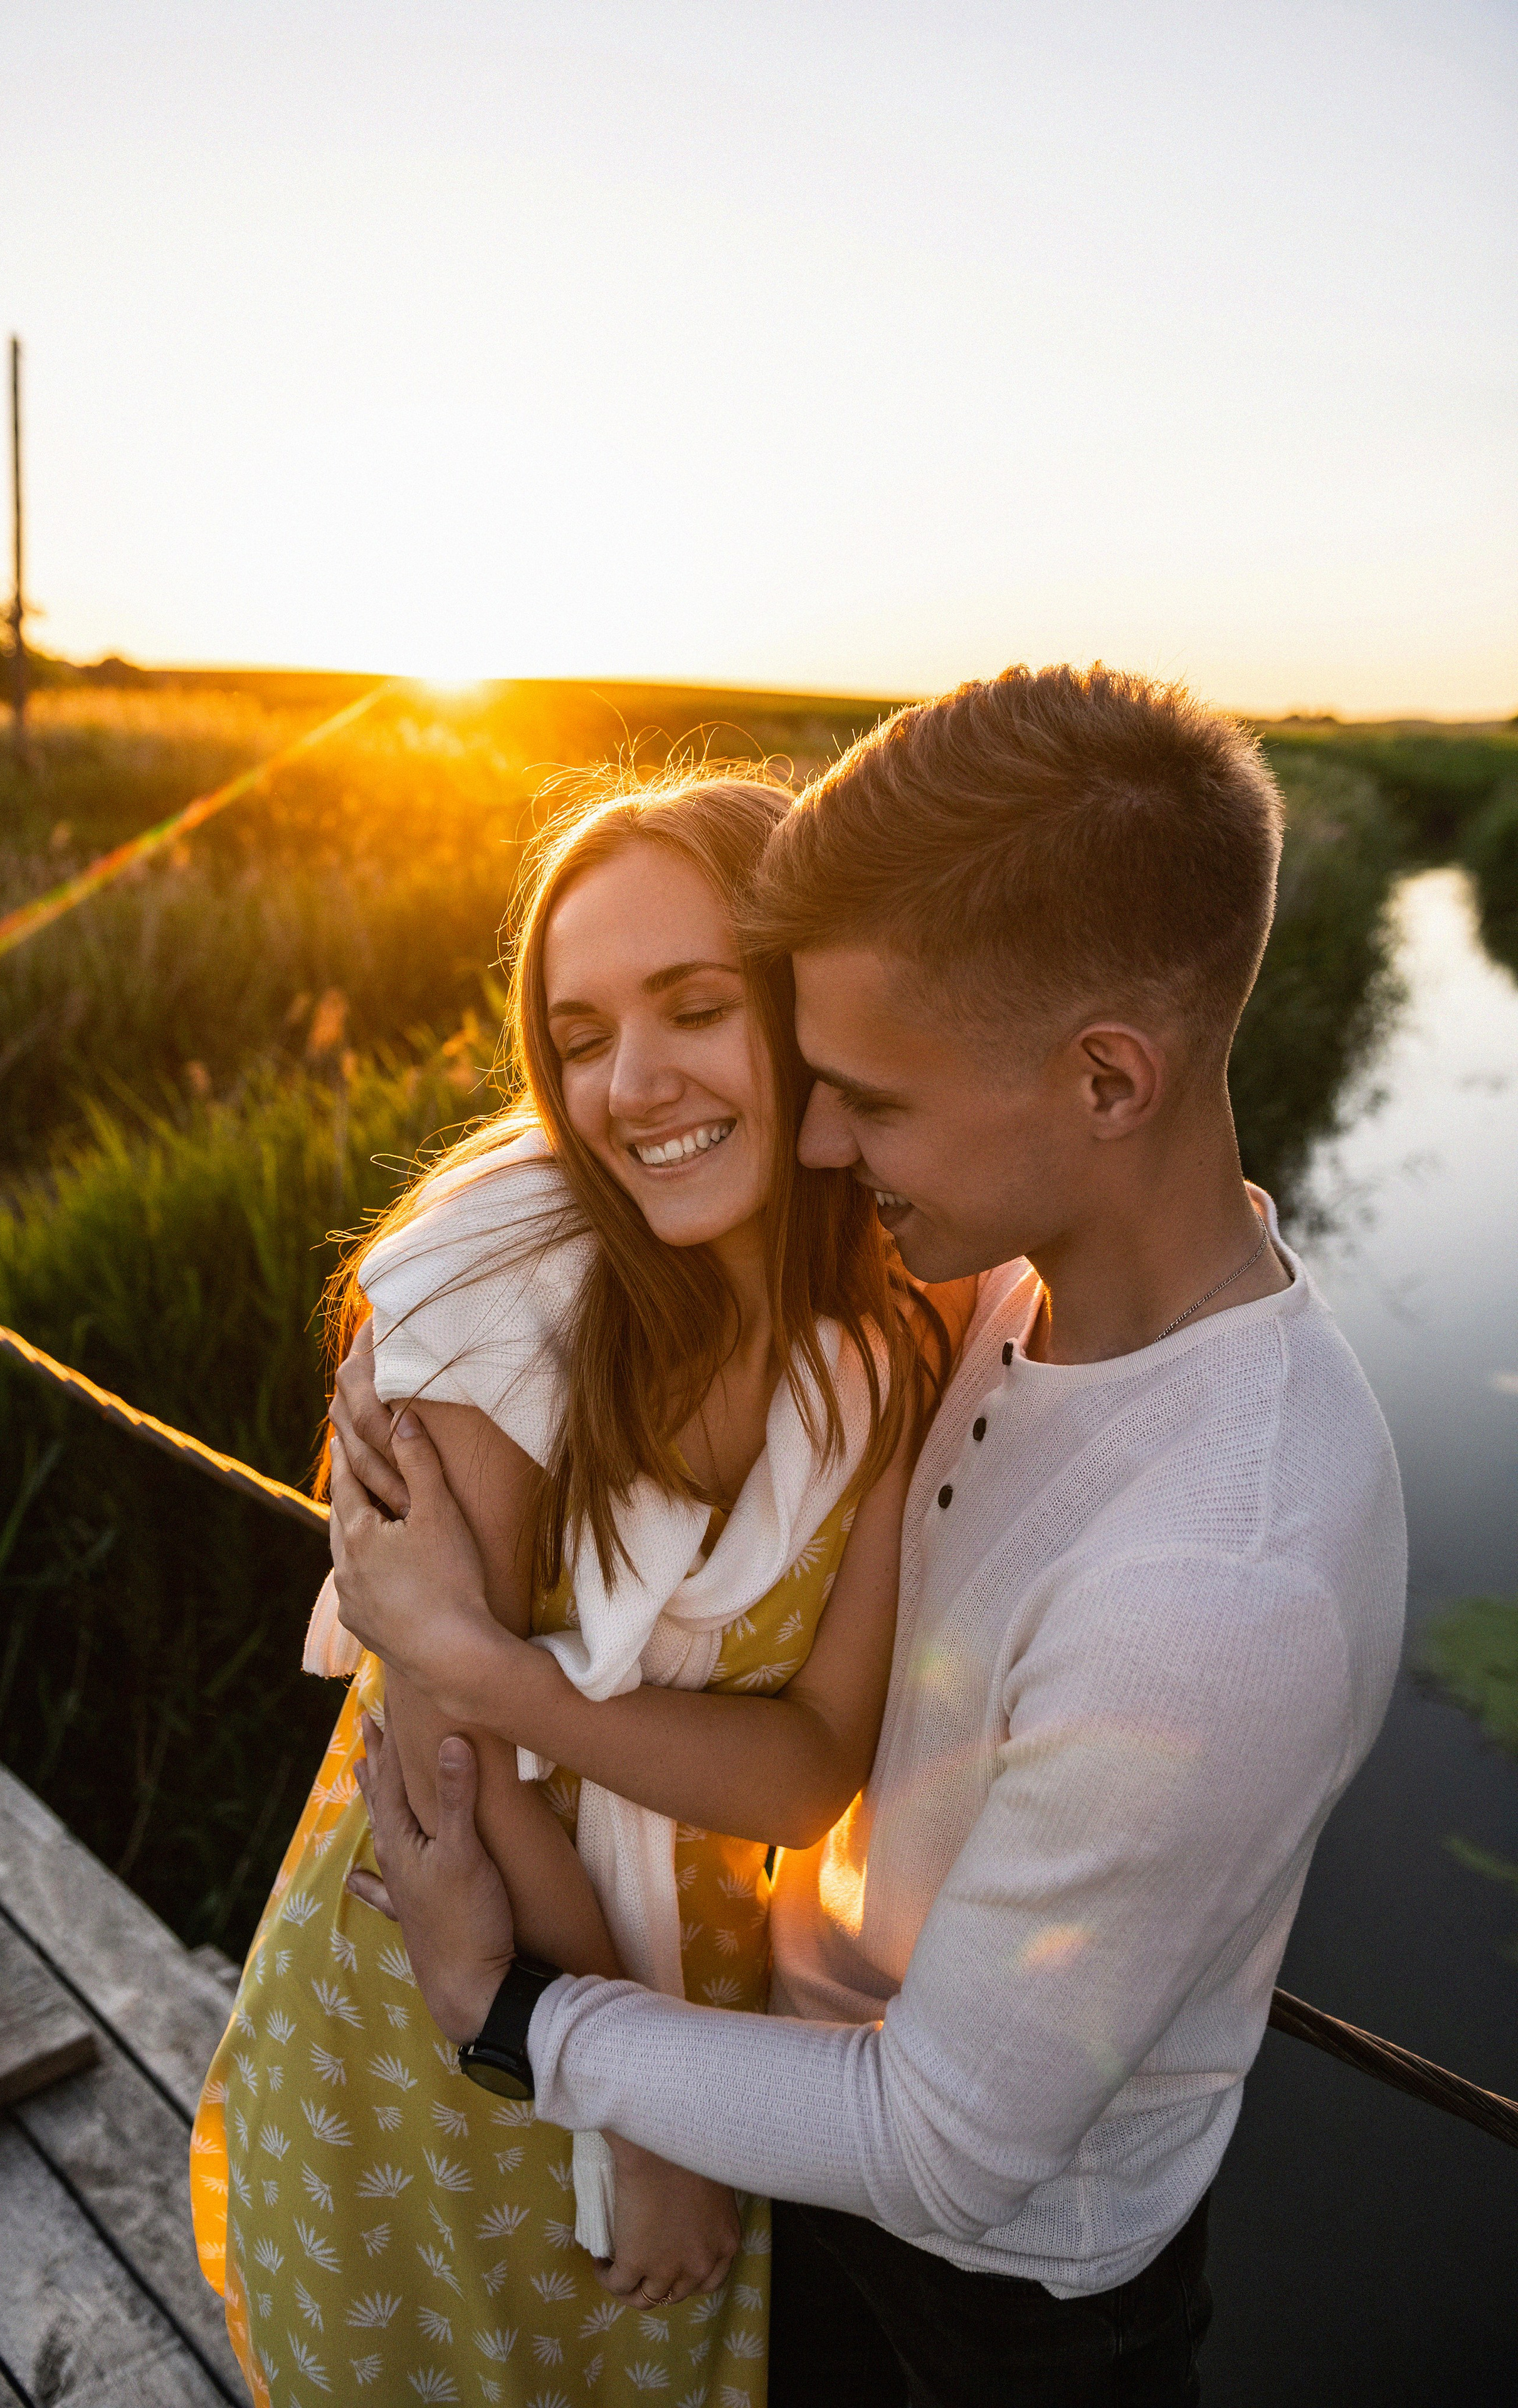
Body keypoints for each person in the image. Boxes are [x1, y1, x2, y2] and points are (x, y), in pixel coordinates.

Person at [327, 664, 1408, 2408]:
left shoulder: (1218, 1588)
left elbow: (947, 2147)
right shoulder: (1001, 1278)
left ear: (1109, 1081)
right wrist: (450, 1275)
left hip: (992, 2305)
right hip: (779, 2106)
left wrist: (520, 2023)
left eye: (878, 1105)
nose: (829, 1144)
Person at [191, 771, 961, 2407]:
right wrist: (633, 2109)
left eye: (696, 1006)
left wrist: (508, 1674)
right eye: (585, 1031)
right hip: (447, 1956)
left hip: (694, 1970)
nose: (633, 1085)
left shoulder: (885, 1345)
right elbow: (438, 1750)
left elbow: (816, 1754)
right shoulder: (493, 1291)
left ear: (804, 1004)